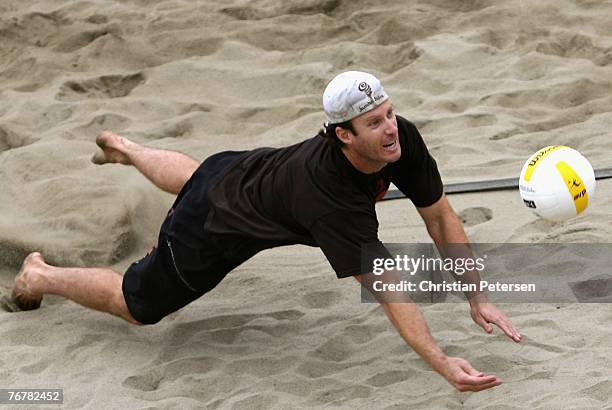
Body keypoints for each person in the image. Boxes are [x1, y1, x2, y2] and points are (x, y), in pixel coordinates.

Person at [11, 71, 521, 392]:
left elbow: (439, 216)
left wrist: (475, 295)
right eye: (374, 123)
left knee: (201, 175)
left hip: (239, 171)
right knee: (137, 307)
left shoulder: (397, 138)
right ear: (343, 136)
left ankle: (128, 149)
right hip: (216, 223)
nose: (390, 128)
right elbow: (387, 287)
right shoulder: (331, 200)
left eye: (389, 114)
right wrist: (441, 362)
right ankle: (40, 275)